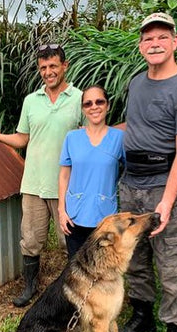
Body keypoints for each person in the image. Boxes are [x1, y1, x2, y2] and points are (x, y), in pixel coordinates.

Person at [116, 12, 177, 332]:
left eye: (161, 37)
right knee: (134, 257)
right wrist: (91, 134)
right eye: (148, 38)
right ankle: (142, 315)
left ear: (174, 42)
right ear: (141, 45)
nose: (154, 43)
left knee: (169, 263)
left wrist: (166, 201)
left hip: (162, 183)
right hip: (130, 183)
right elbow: (132, 127)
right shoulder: (137, 83)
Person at [0, 44, 84, 307]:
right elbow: (23, 139)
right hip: (34, 184)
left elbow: (88, 140)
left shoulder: (79, 98)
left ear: (64, 66)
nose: (48, 72)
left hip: (66, 186)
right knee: (31, 240)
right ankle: (30, 287)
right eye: (43, 67)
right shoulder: (31, 101)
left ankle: (77, 291)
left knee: (71, 241)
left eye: (53, 66)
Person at [58, 85, 125, 260]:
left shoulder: (119, 138)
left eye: (99, 102)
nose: (94, 107)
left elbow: (131, 171)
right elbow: (64, 175)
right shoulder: (72, 138)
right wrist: (61, 210)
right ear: (83, 109)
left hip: (105, 216)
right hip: (75, 214)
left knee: (103, 267)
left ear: (107, 105)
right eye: (88, 104)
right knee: (77, 267)